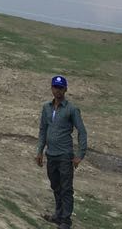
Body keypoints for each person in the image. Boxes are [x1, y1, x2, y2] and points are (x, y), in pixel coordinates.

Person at [35, 75, 88, 229]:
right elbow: (43, 130)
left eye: (60, 88)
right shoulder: (46, 107)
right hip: (50, 154)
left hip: (65, 155)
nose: (57, 90)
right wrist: (39, 151)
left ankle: (66, 221)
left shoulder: (71, 109)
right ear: (51, 88)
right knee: (55, 186)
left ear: (65, 89)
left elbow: (82, 132)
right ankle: (58, 215)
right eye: (55, 87)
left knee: (66, 188)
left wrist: (80, 155)